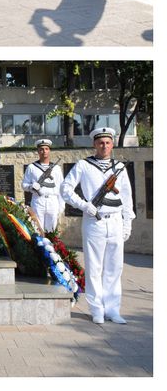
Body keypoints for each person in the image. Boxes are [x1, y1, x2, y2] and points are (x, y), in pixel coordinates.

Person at [61, 127, 135, 324]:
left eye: (108, 143)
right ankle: (97, 310)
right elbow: (65, 189)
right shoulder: (84, 165)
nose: (104, 146)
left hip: (115, 220)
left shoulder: (119, 167)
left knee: (115, 267)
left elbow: (126, 196)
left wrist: (127, 222)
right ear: (94, 144)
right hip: (95, 221)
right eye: (100, 142)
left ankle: (113, 309)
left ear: (112, 145)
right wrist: (84, 205)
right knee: (94, 267)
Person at [21, 139, 63, 233]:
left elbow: (61, 188)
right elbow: (24, 185)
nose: (44, 151)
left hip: (53, 201)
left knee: (52, 231)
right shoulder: (32, 167)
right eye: (41, 149)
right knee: (38, 230)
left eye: (46, 149)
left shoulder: (56, 168)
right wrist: (31, 186)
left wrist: (61, 206)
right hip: (38, 200)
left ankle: (51, 242)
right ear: (38, 151)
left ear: (49, 150)